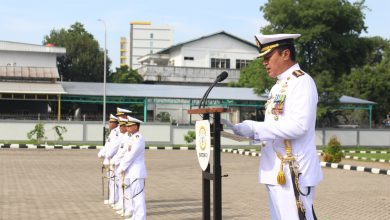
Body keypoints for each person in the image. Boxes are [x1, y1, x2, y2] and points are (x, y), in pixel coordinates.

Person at [231, 33, 322, 220]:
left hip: (293, 170)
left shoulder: (302, 82)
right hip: (276, 170)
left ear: (285, 54)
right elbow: (274, 126)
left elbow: (299, 126)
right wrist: (248, 132)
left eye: (267, 57)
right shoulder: (278, 86)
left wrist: (256, 128)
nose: (264, 63)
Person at [118, 116, 147, 220]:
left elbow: (131, 155)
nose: (127, 127)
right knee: (133, 196)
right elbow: (126, 154)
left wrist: (121, 167)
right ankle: (135, 216)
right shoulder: (132, 138)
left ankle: (140, 218)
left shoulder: (138, 138)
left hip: (136, 172)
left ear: (135, 126)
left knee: (138, 197)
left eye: (130, 126)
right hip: (131, 172)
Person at [98, 113, 119, 204]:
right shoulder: (112, 132)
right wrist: (101, 152)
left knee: (114, 180)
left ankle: (114, 199)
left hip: (113, 159)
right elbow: (107, 145)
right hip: (109, 159)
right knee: (111, 180)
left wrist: (107, 155)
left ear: (115, 123)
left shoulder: (117, 133)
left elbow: (115, 147)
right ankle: (112, 198)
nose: (109, 124)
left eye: (111, 122)